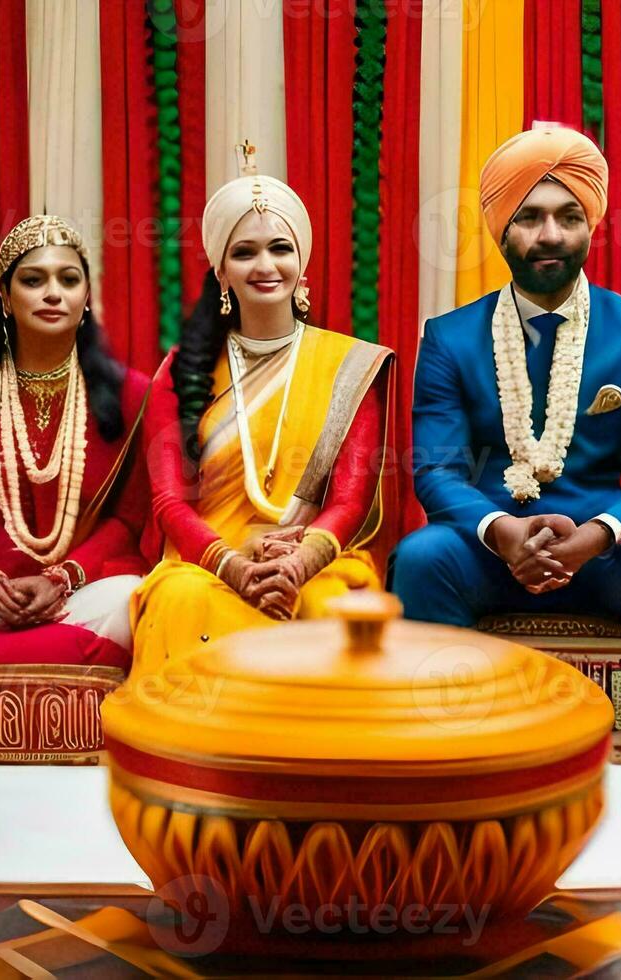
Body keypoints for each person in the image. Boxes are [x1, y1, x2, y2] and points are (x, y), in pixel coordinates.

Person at [391, 126, 621, 639]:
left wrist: (594, 537)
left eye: (569, 217)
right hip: (488, 547)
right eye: (530, 218)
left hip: (604, 550)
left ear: (590, 228)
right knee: (423, 558)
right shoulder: (449, 339)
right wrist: (506, 533)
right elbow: (436, 472)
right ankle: (448, 713)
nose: (551, 235)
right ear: (501, 233)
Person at [129, 145, 394, 674]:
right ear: (221, 272)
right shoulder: (183, 372)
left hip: (315, 563)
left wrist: (298, 565)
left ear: (302, 262)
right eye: (244, 252)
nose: (266, 266)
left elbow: (352, 497)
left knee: (328, 607)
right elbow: (168, 501)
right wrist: (232, 566)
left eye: (280, 248)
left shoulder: (348, 365)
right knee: (184, 602)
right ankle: (199, 755)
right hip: (208, 564)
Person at [0, 216, 151, 667]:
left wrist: (62, 577)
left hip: (82, 592)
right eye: (33, 280)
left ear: (86, 296)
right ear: (5, 295)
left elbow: (129, 521)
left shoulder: (130, 392)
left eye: (68, 279)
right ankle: (58, 659)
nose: (52, 293)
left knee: (129, 598)